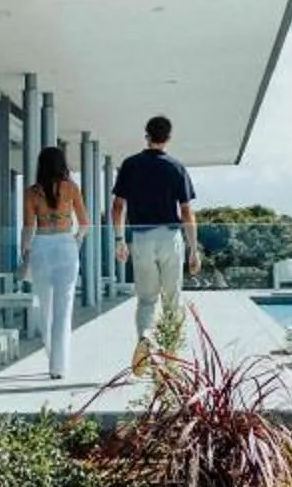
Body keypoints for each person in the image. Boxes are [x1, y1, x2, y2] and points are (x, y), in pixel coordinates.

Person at [109, 116, 199, 361]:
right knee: (172, 299)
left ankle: (145, 338)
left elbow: (117, 207)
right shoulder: (176, 167)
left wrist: (119, 239)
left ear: (146, 135)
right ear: (168, 138)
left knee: (146, 299)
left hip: (141, 238)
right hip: (170, 238)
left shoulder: (130, 165)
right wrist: (193, 249)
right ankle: (171, 354)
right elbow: (186, 212)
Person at [19, 145, 90, 380]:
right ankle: (58, 366)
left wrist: (25, 252)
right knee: (64, 309)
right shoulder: (71, 188)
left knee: (45, 308)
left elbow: (29, 227)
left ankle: (52, 358)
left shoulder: (32, 192)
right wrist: (75, 242)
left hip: (41, 247)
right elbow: (84, 223)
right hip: (65, 246)